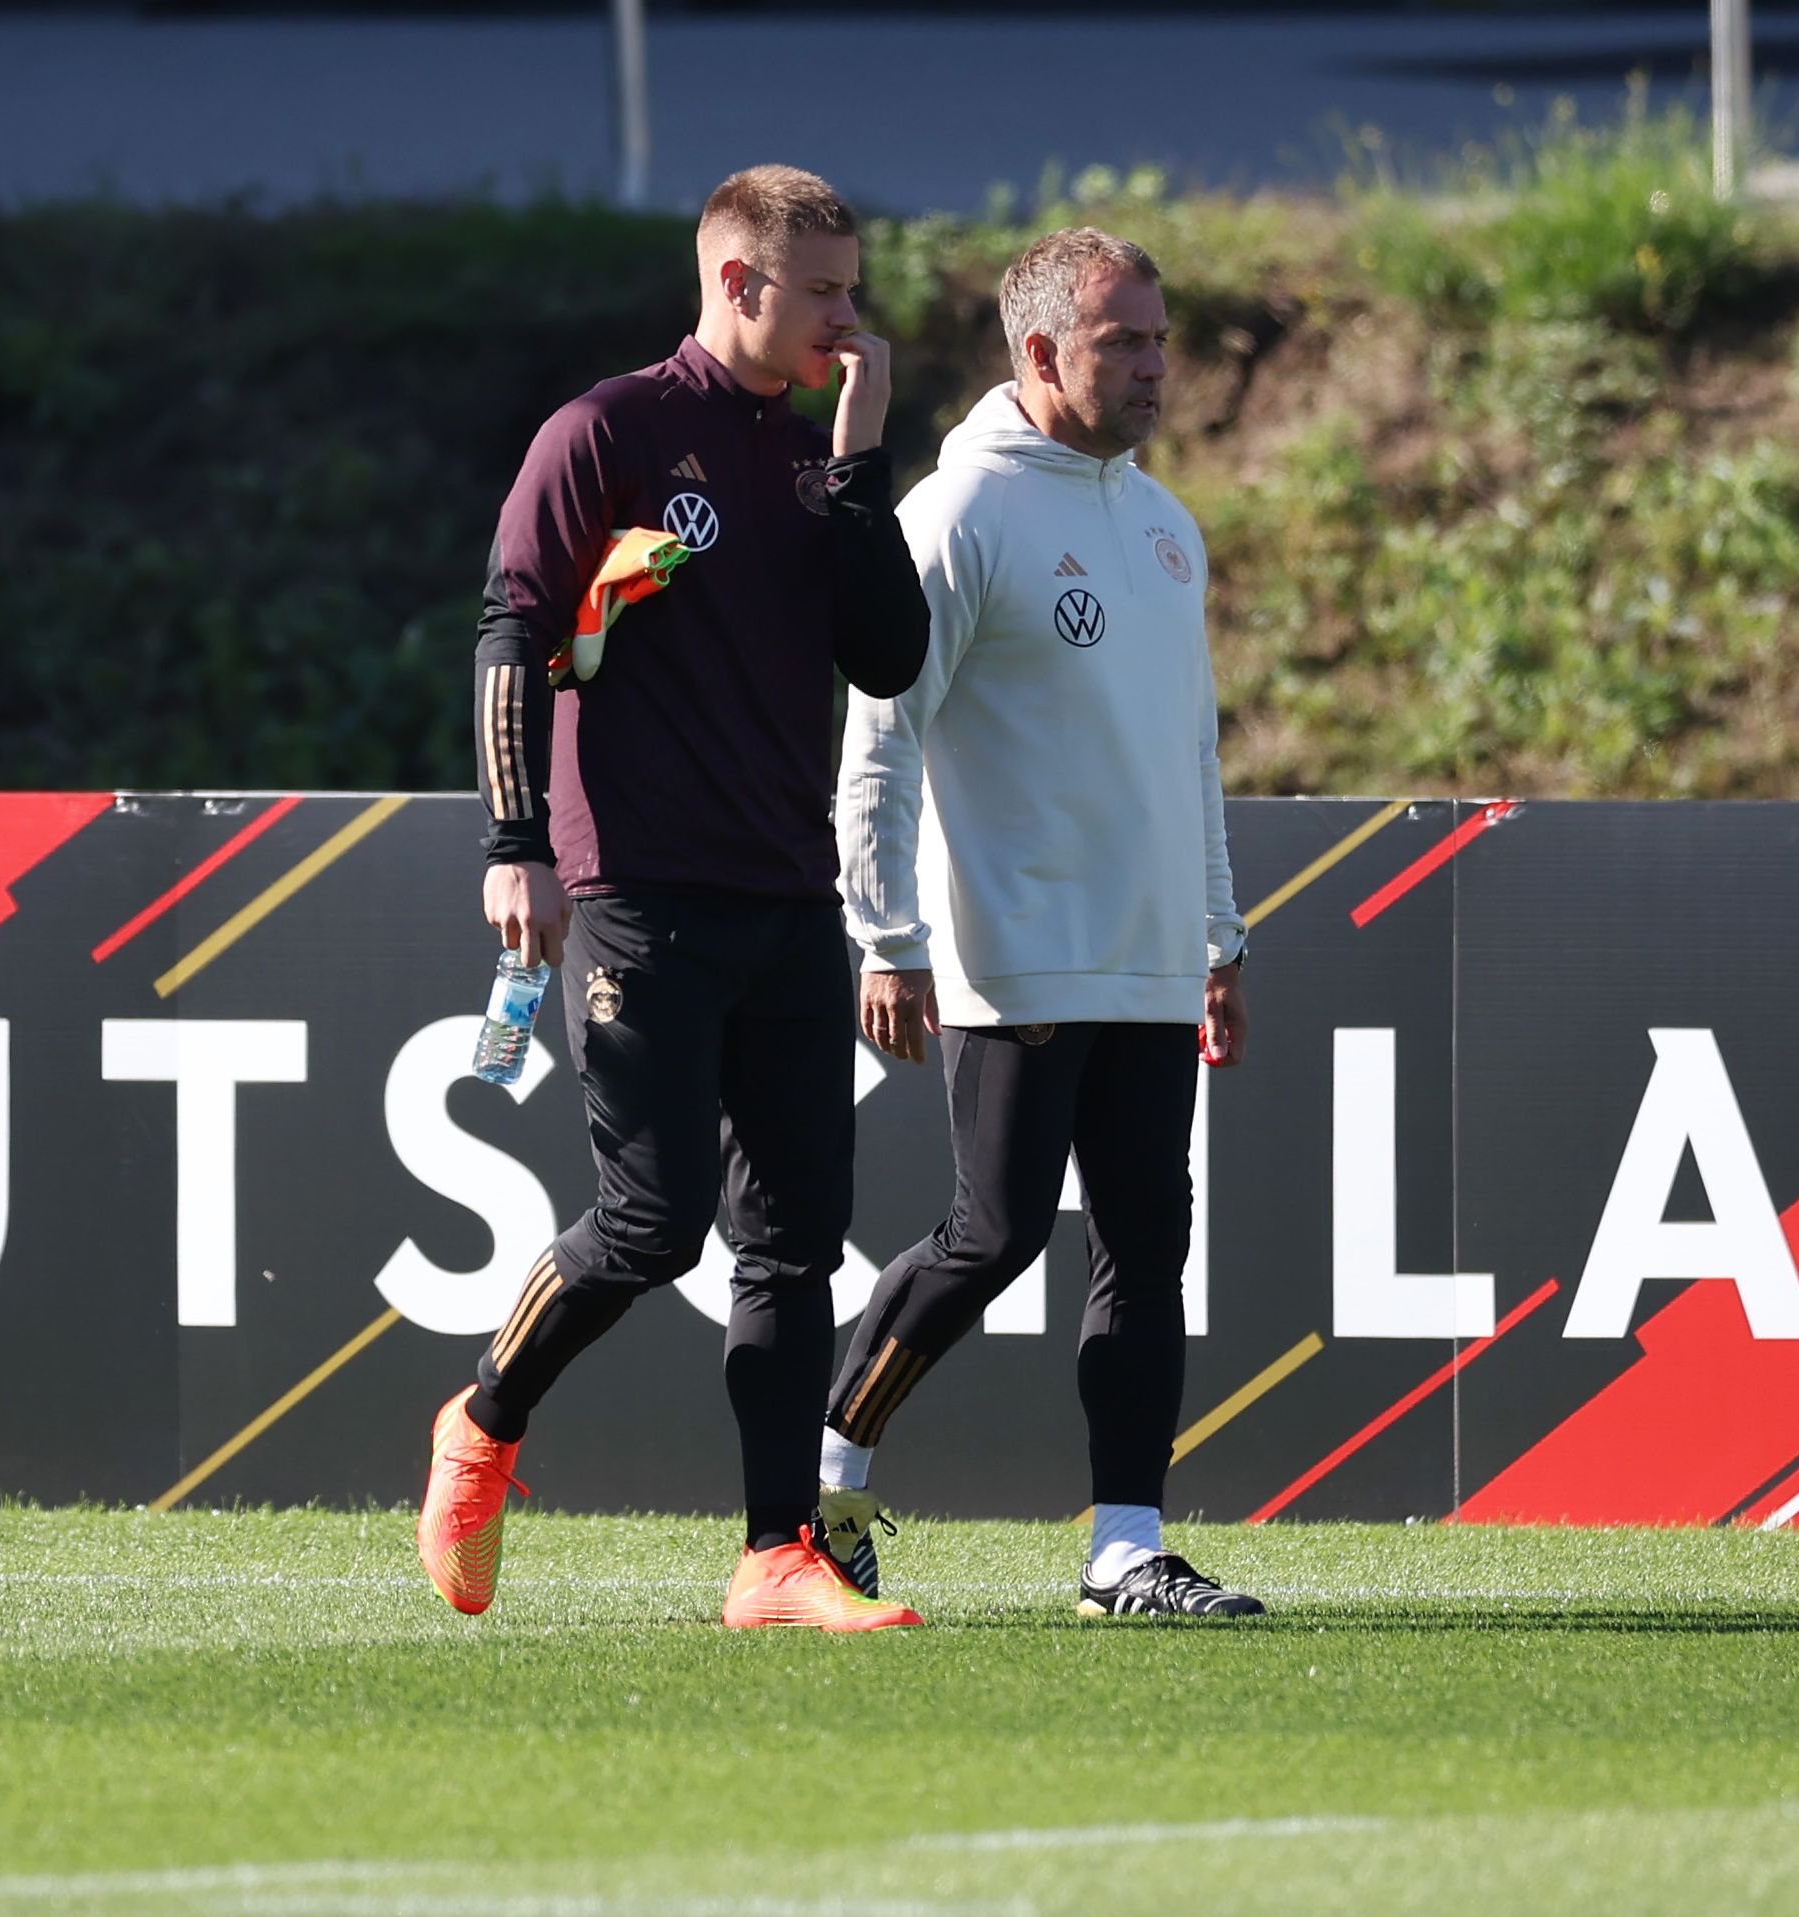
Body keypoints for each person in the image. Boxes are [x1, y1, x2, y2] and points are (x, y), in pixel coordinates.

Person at [420, 164, 930, 1631]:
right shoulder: (609, 431)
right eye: (826, 290)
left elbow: (888, 655)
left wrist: (859, 470)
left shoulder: (811, 455)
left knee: (790, 1241)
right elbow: (513, 628)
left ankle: (777, 1553)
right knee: (650, 1224)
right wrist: (512, 842)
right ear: (737, 283)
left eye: (853, 286)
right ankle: (482, 1421)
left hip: (788, 893)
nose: (851, 317)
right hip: (637, 884)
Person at [819, 226, 1265, 1619]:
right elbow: (880, 740)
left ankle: (1125, 1546)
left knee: (1147, 1245)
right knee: (994, 1233)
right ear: (1040, 352)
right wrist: (884, 933)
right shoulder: (958, 514)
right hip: (1010, 947)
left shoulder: (1163, 524)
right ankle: (823, 1471)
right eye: (1122, 339)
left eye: (1159, 336)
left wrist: (1220, 937)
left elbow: (1188, 754)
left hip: (1147, 957)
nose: (1152, 364)